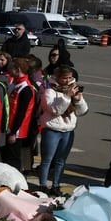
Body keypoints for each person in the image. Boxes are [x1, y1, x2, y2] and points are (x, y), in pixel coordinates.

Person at [38, 66, 87, 195]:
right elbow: (55, 111)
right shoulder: (50, 92)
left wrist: (78, 100)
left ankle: (56, 185)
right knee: (47, 159)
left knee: (61, 160)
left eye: (70, 77)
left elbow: (82, 112)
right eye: (64, 78)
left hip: (68, 131)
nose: (67, 81)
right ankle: (43, 185)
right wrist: (66, 97)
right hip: (52, 129)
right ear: (58, 77)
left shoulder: (73, 90)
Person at [1, 57, 37, 173]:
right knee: (6, 158)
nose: (9, 70)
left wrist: (13, 132)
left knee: (13, 160)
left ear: (17, 69)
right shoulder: (15, 84)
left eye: (11, 68)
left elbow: (22, 112)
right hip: (8, 127)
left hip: (16, 131)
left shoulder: (25, 88)